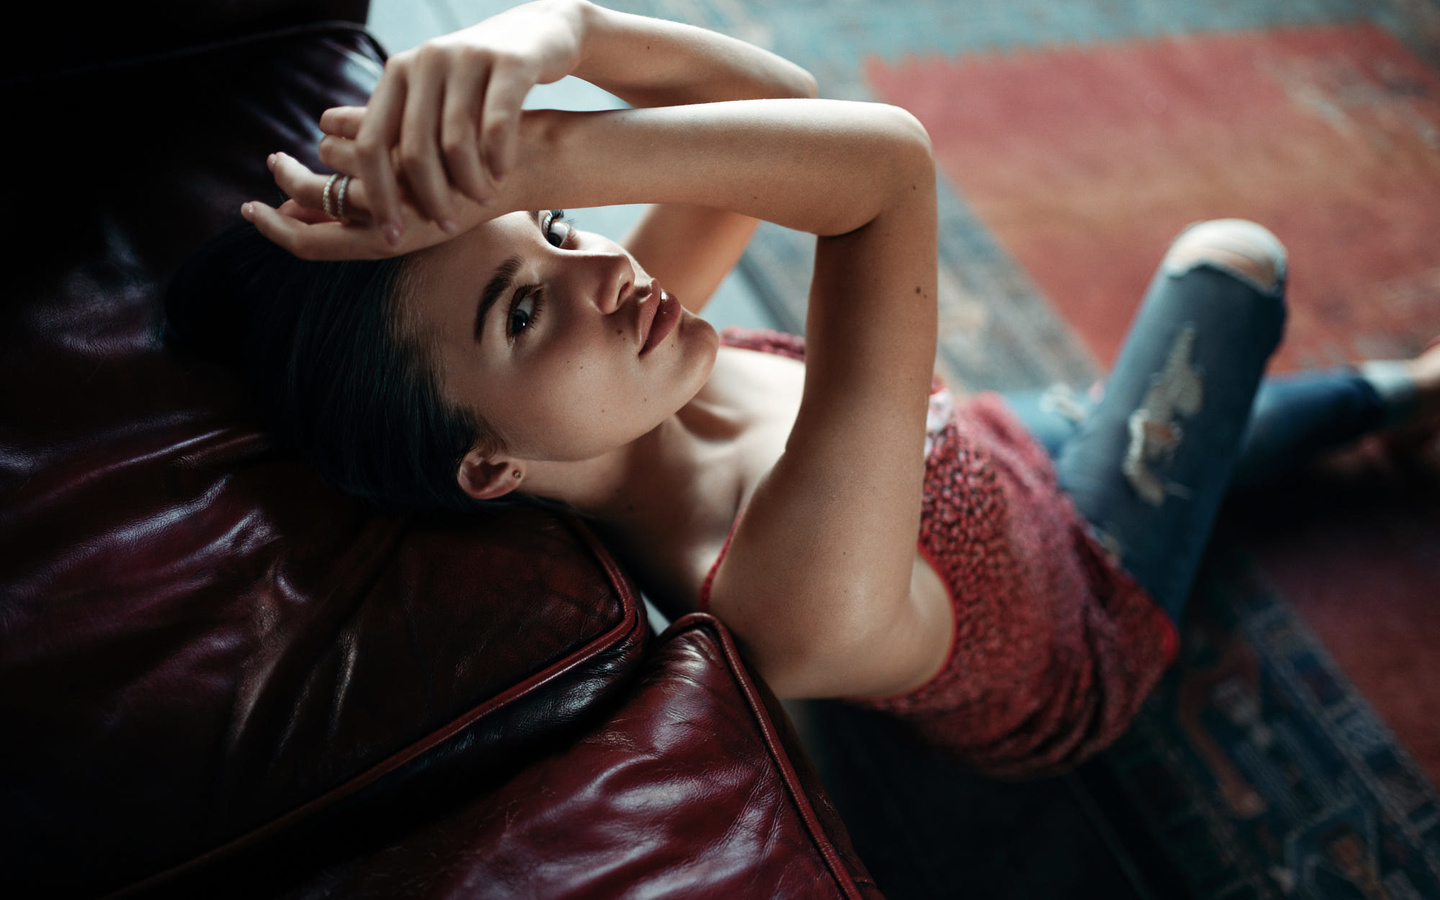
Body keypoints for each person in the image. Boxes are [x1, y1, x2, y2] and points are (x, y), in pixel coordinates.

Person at [168, 0, 1440, 777]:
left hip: (994, 453)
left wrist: (560, 27)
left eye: (552, 225)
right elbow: (884, 170)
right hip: (1080, 619)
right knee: (1232, 264)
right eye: (518, 302)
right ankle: (1401, 395)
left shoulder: (628, 360)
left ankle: (1402, 398)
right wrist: (526, 153)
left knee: (1102, 426)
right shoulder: (774, 588)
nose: (598, 264)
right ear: (490, 465)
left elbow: (773, 103)